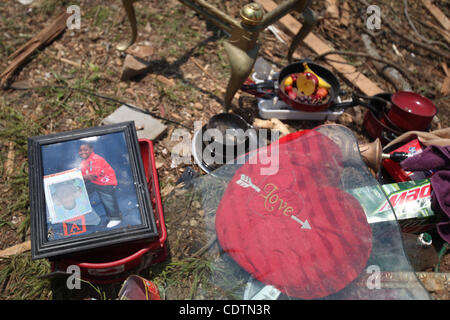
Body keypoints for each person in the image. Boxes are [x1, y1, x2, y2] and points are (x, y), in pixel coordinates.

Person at [78, 142, 122, 228]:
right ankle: (80, 213)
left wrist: (79, 176)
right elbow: (82, 173)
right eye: (80, 150)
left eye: (85, 150)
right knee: (83, 192)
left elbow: (93, 176)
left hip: (106, 182)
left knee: (107, 198)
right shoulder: (84, 162)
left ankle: (115, 218)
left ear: (91, 150)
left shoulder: (96, 159)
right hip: (95, 182)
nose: (82, 152)